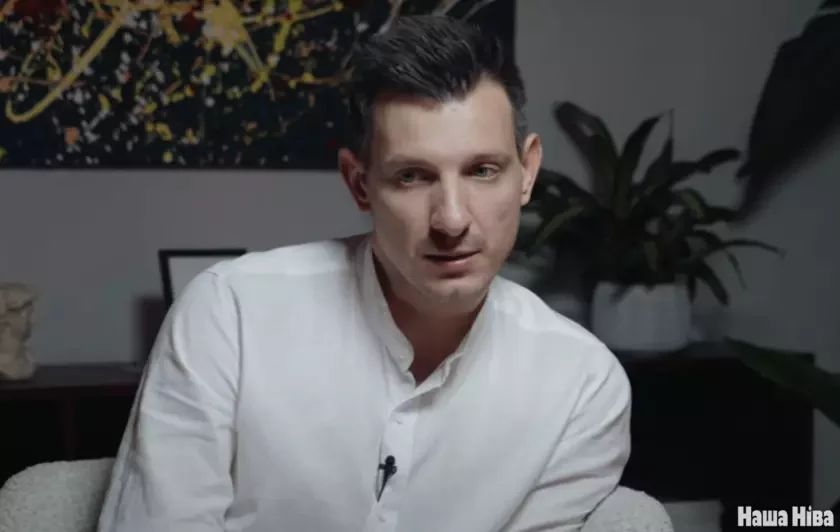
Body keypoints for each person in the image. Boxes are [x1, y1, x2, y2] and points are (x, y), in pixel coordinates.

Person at [97, 14, 631, 532]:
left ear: (527, 172)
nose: (451, 220)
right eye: (412, 176)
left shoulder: (582, 386)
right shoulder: (230, 314)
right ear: (359, 184)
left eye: (482, 170)